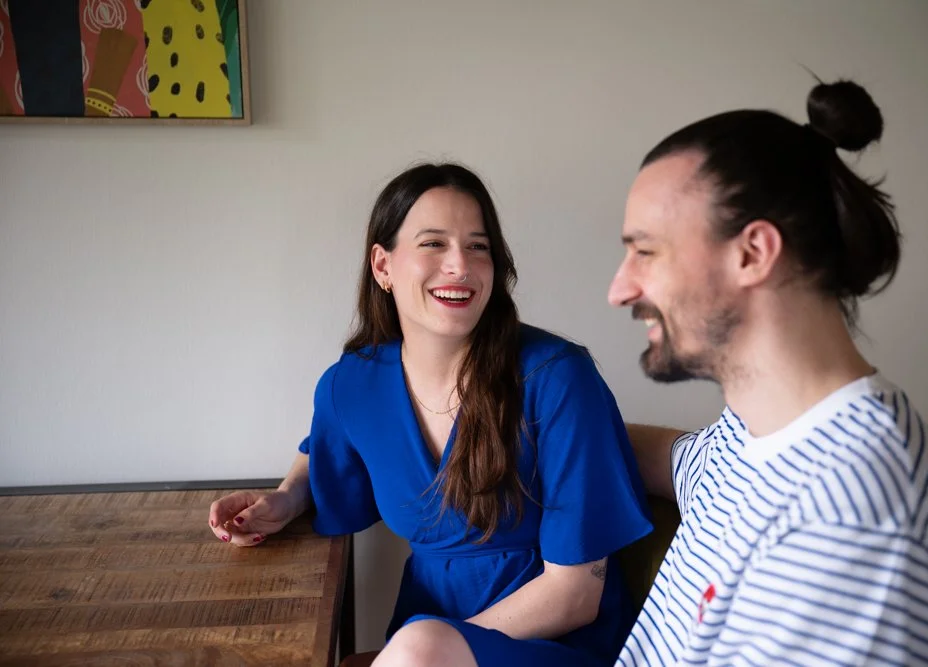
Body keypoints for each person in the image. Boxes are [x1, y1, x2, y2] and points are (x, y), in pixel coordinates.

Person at [609, 79, 928, 666]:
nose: (620, 288)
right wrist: (547, 432)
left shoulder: (857, 528)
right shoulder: (756, 434)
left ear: (753, 253)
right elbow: (682, 463)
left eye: (646, 251)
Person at [208, 163, 652, 667]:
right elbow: (327, 445)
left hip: (553, 644)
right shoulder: (351, 384)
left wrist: (435, 648)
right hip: (423, 643)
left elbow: (575, 595)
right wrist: (286, 497)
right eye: (434, 244)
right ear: (382, 266)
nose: (460, 265)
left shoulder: (557, 378)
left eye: (478, 246)